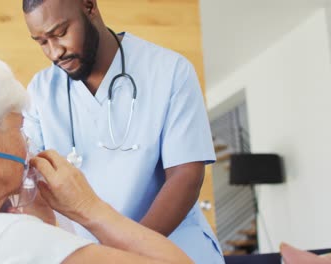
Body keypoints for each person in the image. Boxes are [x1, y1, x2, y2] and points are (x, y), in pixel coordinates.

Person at [0, 53, 193, 264]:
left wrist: (45, 224)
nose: (27, 145)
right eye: (20, 129)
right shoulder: (12, 239)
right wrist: (89, 208)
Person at [21, 0, 223, 263]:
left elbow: (186, 177)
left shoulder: (169, 71)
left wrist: (124, 254)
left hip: (172, 249)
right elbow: (28, 182)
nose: (55, 51)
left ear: (89, 7)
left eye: (60, 33)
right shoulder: (41, 91)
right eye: (41, 42)